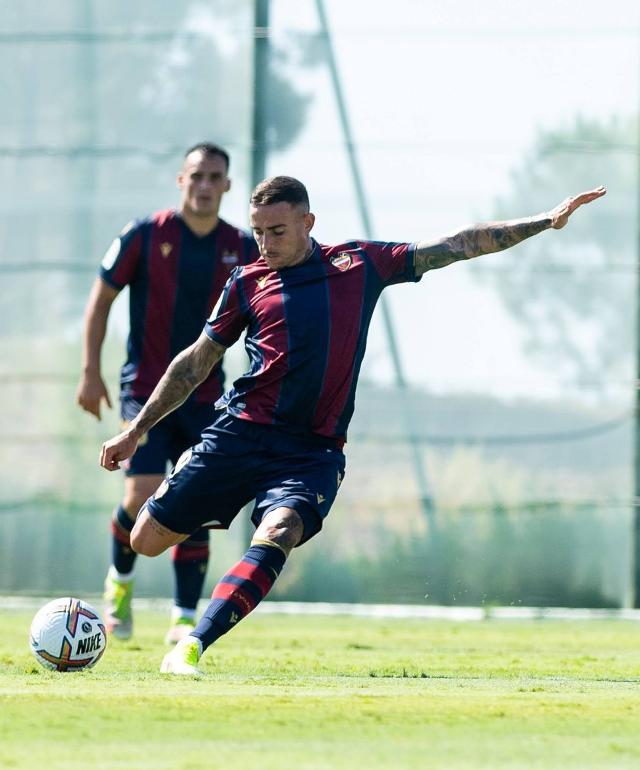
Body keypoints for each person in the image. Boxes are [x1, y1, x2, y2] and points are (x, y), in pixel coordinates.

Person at [99, 175, 606, 676]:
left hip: (310, 453)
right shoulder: (247, 282)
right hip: (239, 434)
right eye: (258, 232)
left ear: (307, 222)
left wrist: (544, 220)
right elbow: (195, 362)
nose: (265, 243)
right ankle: (141, 558)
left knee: (280, 531)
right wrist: (134, 430)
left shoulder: (359, 264)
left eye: (277, 231)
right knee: (145, 539)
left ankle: (190, 646)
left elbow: (455, 244)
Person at [77, 143, 256, 644]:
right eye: (196, 175)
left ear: (227, 186)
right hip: (144, 392)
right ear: (181, 180)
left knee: (192, 500)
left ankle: (182, 615)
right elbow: (100, 299)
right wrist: (91, 372)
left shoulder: (243, 248)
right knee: (139, 494)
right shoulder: (143, 235)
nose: (204, 185)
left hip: (206, 399)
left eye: (214, 177)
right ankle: (121, 585)